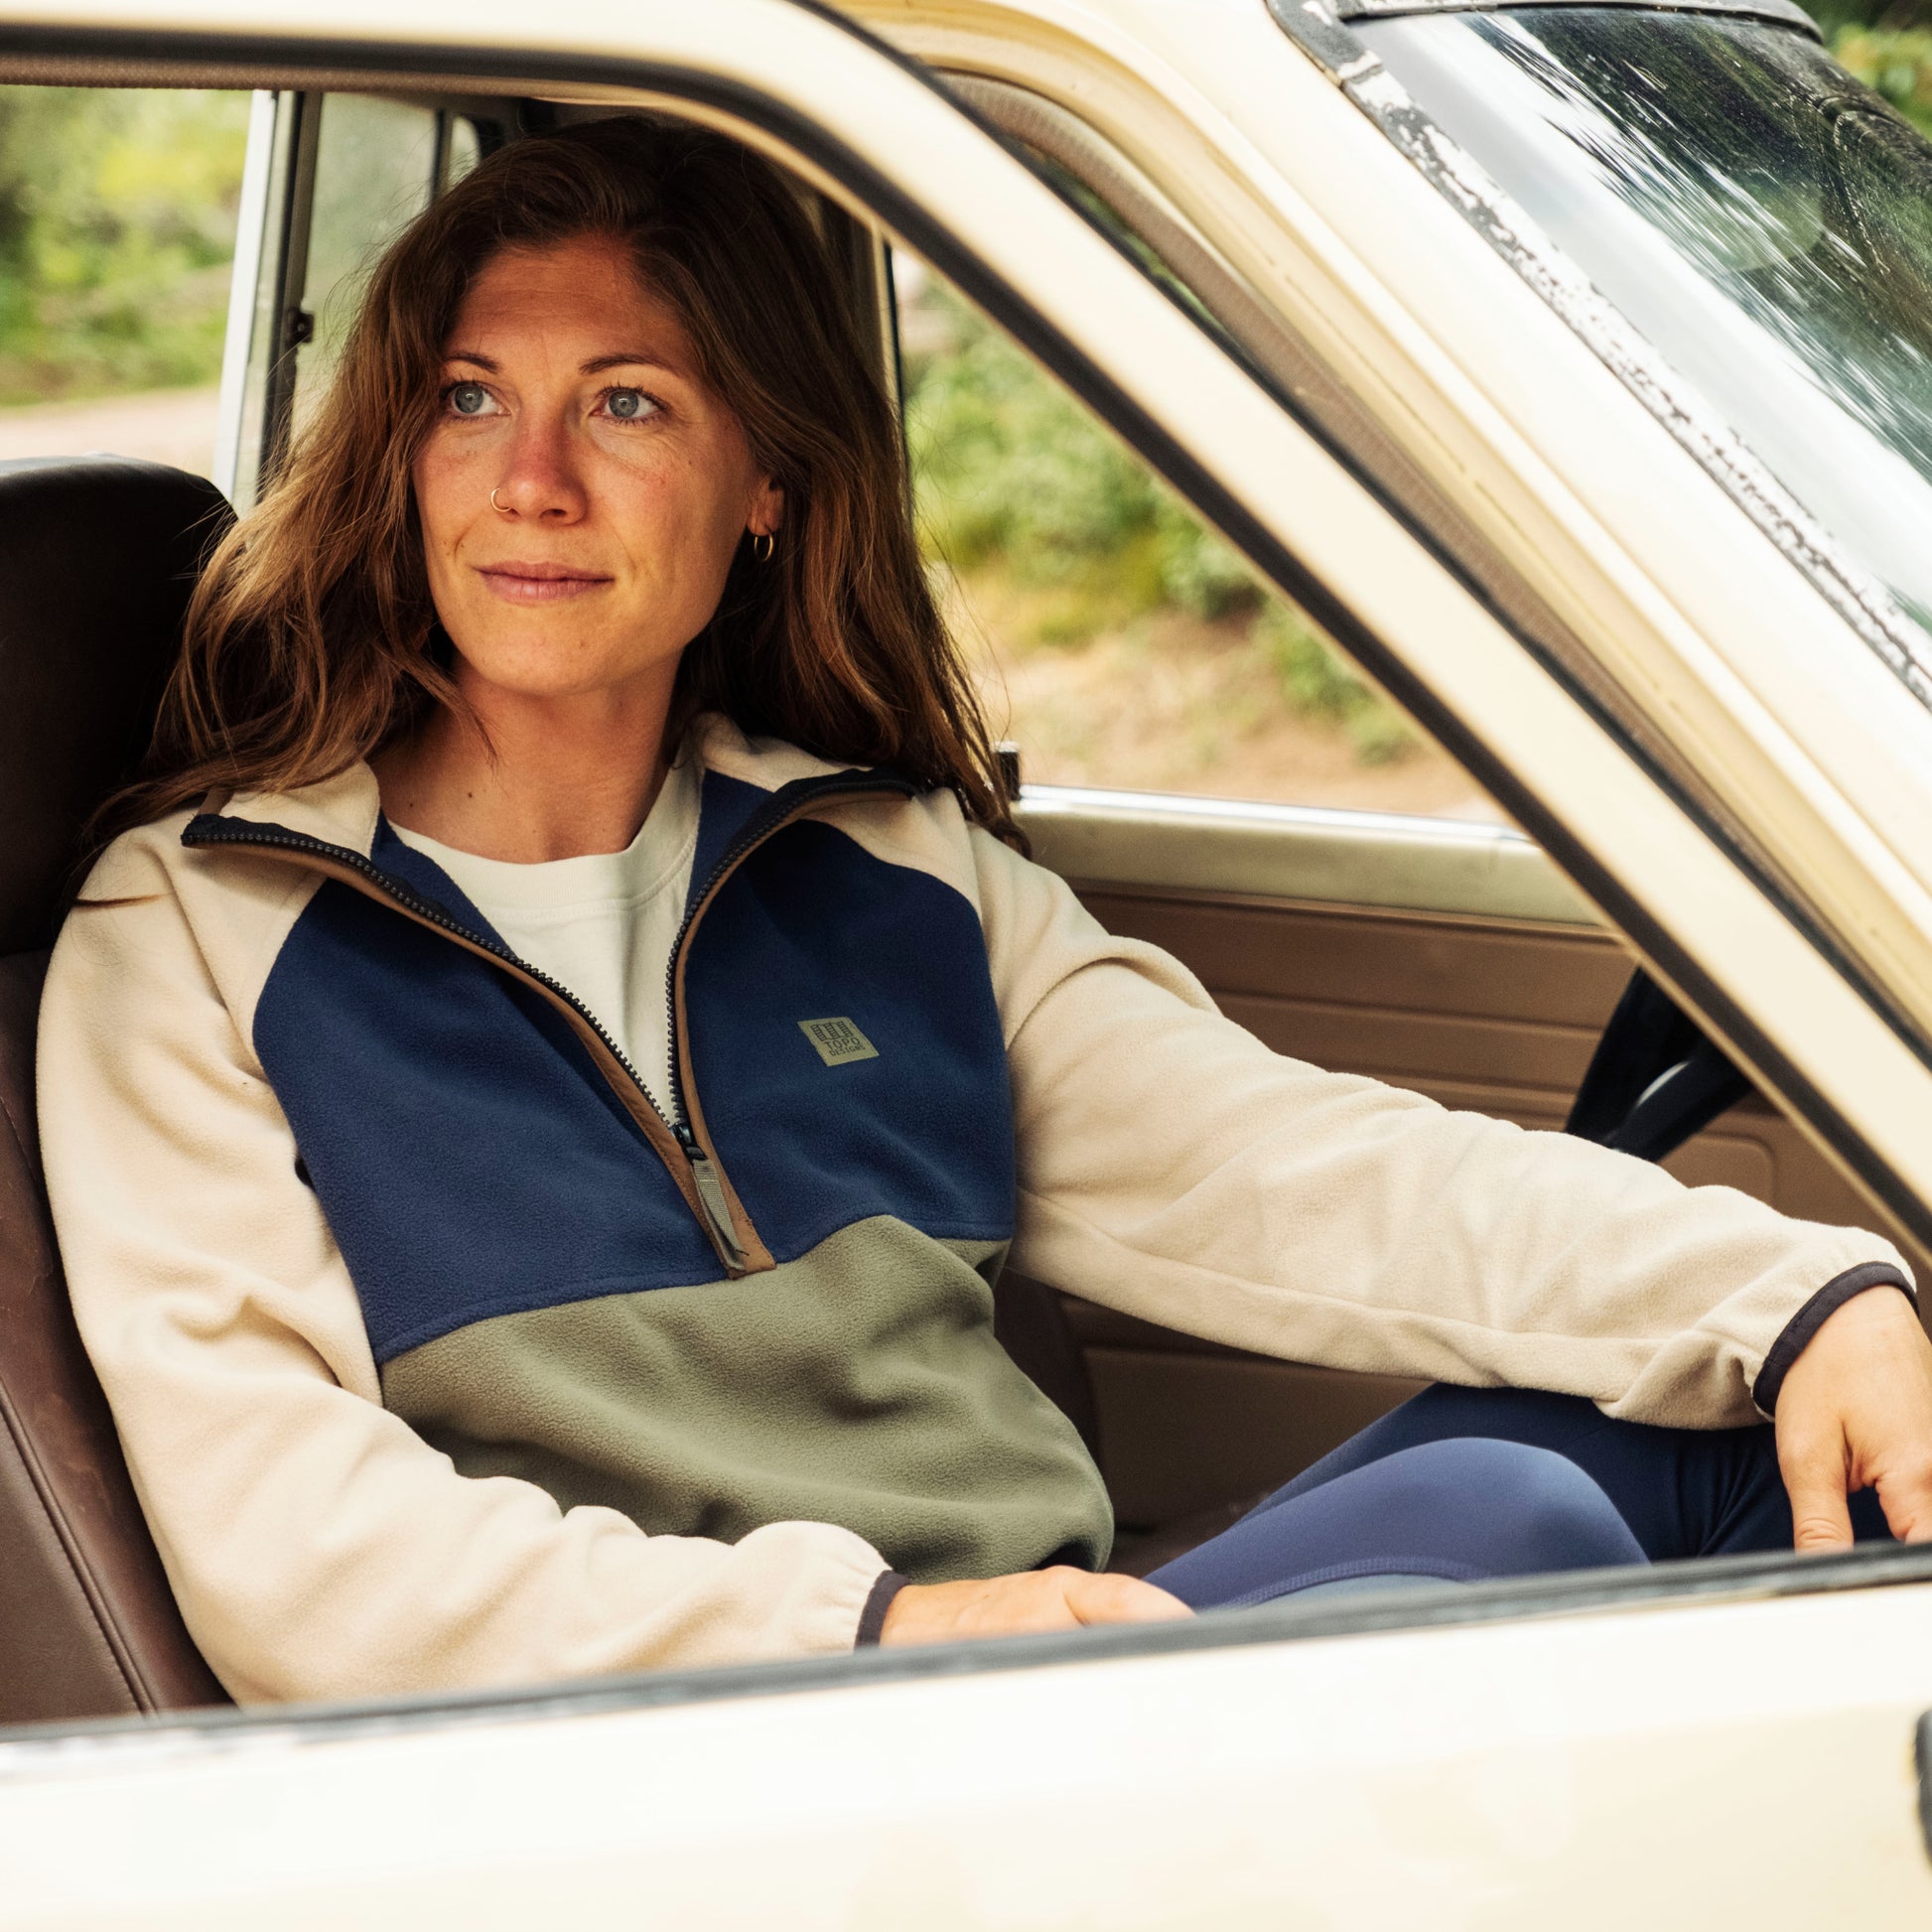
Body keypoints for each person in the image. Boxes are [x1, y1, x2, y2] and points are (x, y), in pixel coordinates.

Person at [39, 117, 1932, 1705]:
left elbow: (1297, 1169)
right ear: (403, 452)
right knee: (1533, 1543)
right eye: (471, 401)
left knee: (1743, 1436)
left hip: (1040, 1669)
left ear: (767, 477)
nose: (530, 483)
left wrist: (1787, 1292)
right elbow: (298, 1554)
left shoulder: (880, 866)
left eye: (624, 404)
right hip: (694, 1761)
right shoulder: (201, 932)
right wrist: (874, 1625)